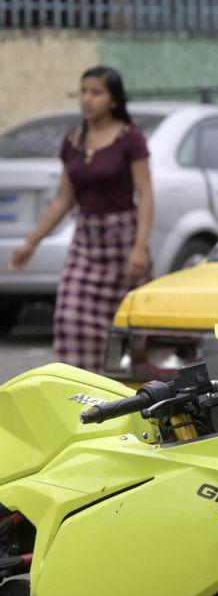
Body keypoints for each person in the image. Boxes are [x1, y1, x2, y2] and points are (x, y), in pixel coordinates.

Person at [8, 66, 154, 372]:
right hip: (85, 243)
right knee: (69, 317)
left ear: (113, 100)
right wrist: (30, 243)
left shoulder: (130, 139)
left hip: (122, 242)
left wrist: (140, 248)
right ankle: (75, 393)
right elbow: (64, 198)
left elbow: (146, 193)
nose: (87, 99)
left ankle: (117, 396)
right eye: (83, 92)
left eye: (96, 93)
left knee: (122, 330)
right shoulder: (73, 141)